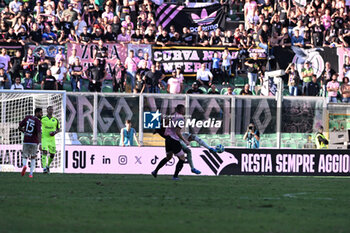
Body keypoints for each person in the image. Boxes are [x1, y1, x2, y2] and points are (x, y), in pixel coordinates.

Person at [152, 104, 189, 180]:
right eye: (183, 109)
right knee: (182, 158)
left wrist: (159, 130)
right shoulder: (181, 118)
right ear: (181, 110)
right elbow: (178, 132)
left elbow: (165, 123)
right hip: (174, 140)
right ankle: (175, 176)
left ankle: (155, 171)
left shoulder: (172, 115)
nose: (184, 110)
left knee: (169, 157)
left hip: (168, 139)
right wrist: (185, 140)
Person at [19, 107, 42, 178]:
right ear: (37, 113)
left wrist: (25, 131)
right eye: (41, 113)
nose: (42, 114)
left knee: (25, 155)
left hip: (26, 140)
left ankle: (24, 165)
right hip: (34, 142)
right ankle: (31, 174)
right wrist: (40, 143)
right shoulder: (37, 121)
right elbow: (39, 132)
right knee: (33, 157)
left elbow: (19, 127)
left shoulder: (27, 117)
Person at [41, 106, 60, 174]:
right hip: (44, 138)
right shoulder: (43, 119)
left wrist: (54, 132)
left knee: (52, 154)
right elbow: (38, 125)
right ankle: (44, 168)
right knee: (45, 152)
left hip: (52, 140)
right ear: (47, 110)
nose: (51, 110)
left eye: (52, 109)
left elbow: (58, 129)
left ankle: (48, 166)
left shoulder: (55, 120)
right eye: (49, 109)